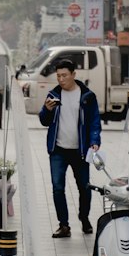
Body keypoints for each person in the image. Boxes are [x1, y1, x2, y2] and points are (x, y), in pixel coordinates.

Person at [39, 58, 101, 239]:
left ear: (73, 74)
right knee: (58, 188)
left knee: (84, 187)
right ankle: (64, 225)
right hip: (58, 150)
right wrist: (46, 109)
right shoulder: (53, 95)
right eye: (58, 76)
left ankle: (84, 218)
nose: (61, 79)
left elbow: (94, 121)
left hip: (80, 150)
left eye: (64, 75)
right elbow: (44, 121)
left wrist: (94, 141)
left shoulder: (87, 96)